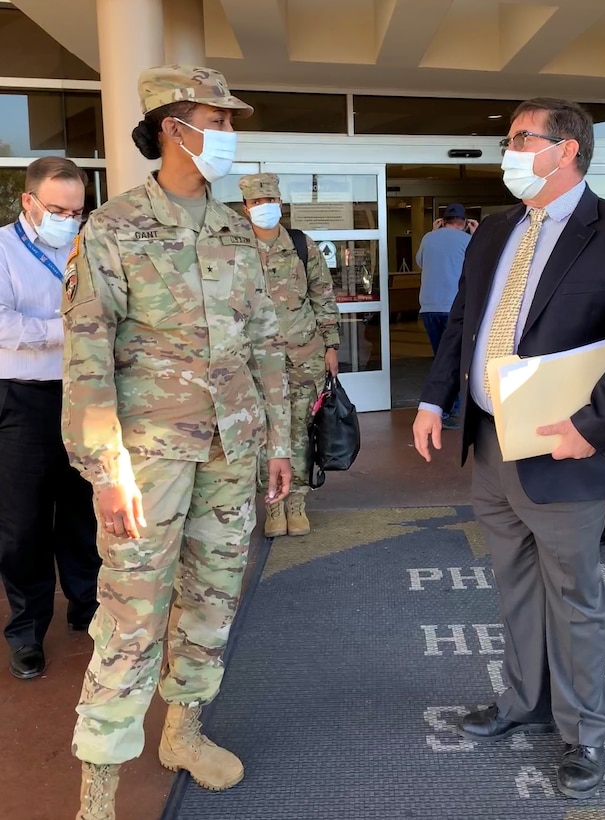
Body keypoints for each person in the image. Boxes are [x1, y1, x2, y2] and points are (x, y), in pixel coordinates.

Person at [412, 98, 605, 800]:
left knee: (574, 597)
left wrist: (592, 427)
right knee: (513, 585)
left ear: (565, 151)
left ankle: (584, 732)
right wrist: (436, 398)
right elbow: (467, 321)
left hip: (567, 451)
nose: (507, 152)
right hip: (493, 442)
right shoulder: (496, 228)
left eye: (519, 139)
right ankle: (522, 703)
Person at [62, 65, 291, 819]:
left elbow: (265, 343)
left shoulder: (236, 230)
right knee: (131, 614)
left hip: (232, 448)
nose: (228, 136)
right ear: (172, 126)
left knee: (212, 600)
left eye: (229, 122)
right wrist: (104, 469)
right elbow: (87, 353)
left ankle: (183, 733)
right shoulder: (116, 227)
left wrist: (280, 443)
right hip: (149, 457)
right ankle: (98, 791)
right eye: (217, 120)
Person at [0, 156, 99, 681]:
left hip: (85, 396)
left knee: (83, 512)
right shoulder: (2, 249)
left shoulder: (88, 248)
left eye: (77, 210)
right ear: (29, 202)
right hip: (23, 400)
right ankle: (26, 629)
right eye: (58, 209)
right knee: (24, 525)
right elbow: (2, 323)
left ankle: (88, 608)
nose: (69, 219)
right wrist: (67, 331)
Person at [238, 172, 341, 538]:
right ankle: (272, 505)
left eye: (269, 201)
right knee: (264, 434)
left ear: (280, 203)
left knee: (300, 432)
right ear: (245, 207)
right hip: (253, 362)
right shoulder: (237, 247)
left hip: (303, 354)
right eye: (255, 202)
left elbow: (323, 295)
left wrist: (331, 345)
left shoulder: (301, 245)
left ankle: (297, 502)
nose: (263, 208)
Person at [415, 203, 477, 429]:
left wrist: (433, 231)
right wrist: (476, 234)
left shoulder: (428, 238)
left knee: (440, 356)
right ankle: (456, 409)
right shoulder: (467, 240)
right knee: (458, 357)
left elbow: (420, 262)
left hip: (429, 306)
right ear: (463, 222)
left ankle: (439, 407)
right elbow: (480, 264)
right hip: (454, 307)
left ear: (443, 220)